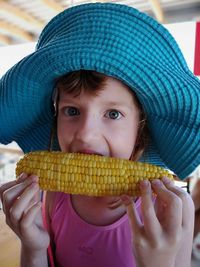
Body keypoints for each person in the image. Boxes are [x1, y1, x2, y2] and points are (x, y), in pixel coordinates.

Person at [0, 3, 199, 267]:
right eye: (71, 110)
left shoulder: (173, 210)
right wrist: (34, 248)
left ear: (139, 129)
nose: (85, 133)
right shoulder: (50, 196)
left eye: (113, 114)